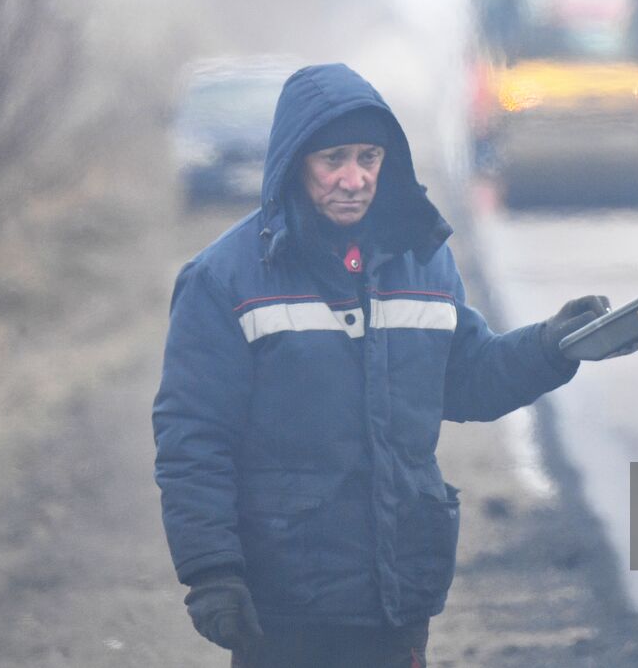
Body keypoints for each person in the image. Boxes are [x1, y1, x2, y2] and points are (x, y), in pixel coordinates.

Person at [153, 63, 609, 667]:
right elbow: (193, 437)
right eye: (333, 159)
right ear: (294, 161)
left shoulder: (422, 262)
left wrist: (552, 346)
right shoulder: (224, 279)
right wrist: (211, 570)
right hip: (284, 603)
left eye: (369, 157)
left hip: (399, 589)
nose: (354, 178)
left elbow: (468, 378)